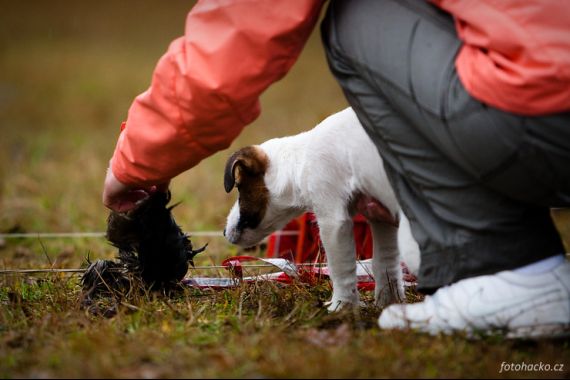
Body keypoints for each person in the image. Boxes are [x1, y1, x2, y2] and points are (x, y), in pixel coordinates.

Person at [102, 0, 570, 339]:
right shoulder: (324, 152)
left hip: (546, 118)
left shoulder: (315, 160)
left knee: (356, 14)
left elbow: (240, 30)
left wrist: (137, 161)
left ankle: (507, 269)